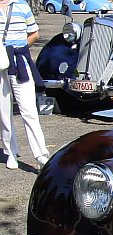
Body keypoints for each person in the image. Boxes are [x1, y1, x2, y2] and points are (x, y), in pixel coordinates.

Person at [0, 0, 49, 170]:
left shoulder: (21, 5)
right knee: (4, 112)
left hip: (20, 63)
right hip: (0, 65)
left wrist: (18, 48)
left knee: (28, 110)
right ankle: (10, 152)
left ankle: (41, 154)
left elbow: (34, 33)